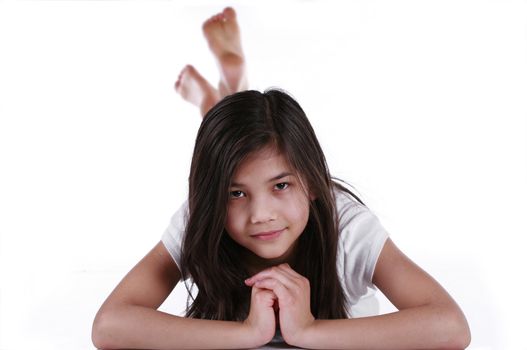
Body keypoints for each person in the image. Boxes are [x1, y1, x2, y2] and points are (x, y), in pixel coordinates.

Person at [92, 7, 471, 350]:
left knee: (245, 152)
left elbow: (451, 327)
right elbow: (109, 326)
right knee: (235, 154)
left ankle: (221, 92)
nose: (262, 214)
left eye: (282, 186)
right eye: (236, 194)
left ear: (312, 182)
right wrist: (246, 334)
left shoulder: (347, 226)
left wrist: (306, 330)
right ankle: (223, 93)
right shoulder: (202, 216)